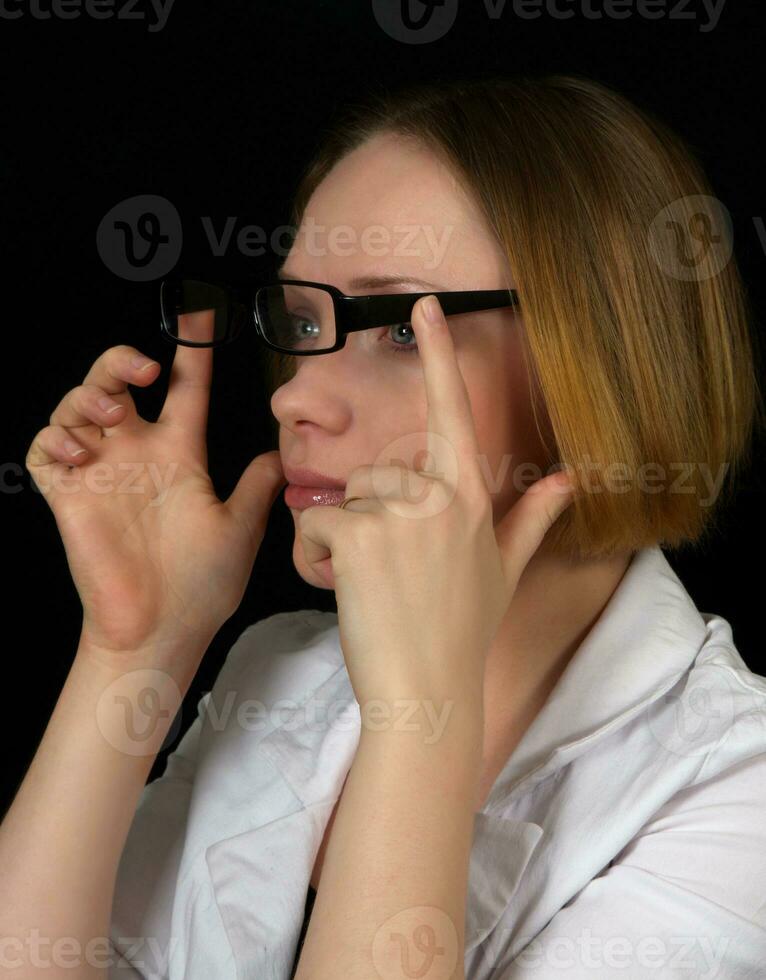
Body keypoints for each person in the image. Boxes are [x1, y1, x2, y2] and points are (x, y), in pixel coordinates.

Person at [3, 73, 765, 979]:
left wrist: (419, 725)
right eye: (303, 321)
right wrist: (135, 649)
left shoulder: (739, 797)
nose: (293, 396)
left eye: (400, 329)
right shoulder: (276, 671)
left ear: (600, 364)